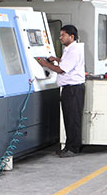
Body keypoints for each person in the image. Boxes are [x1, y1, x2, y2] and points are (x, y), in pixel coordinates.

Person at [36, 25, 86, 158]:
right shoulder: (69, 49)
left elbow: (61, 70)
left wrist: (45, 64)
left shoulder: (73, 50)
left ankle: (73, 149)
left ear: (72, 36)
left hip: (73, 89)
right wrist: (56, 59)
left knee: (73, 119)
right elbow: (66, 63)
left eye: (63, 35)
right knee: (68, 118)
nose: (60, 38)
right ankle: (68, 147)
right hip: (69, 89)